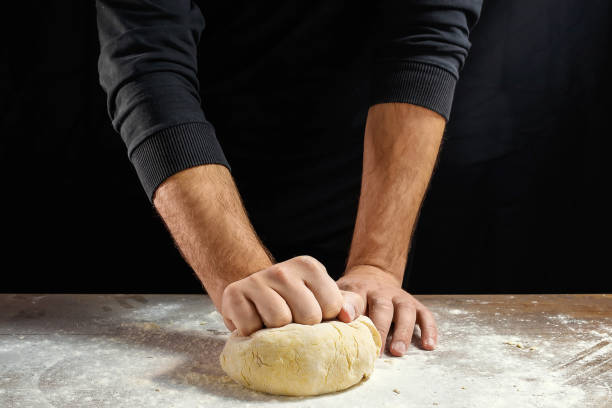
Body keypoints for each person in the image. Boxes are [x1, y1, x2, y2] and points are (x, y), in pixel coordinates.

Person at [96, 0, 482, 357]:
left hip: (357, 180)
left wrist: (377, 265)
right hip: (182, 202)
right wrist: (238, 273)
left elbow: (427, 36)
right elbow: (147, 59)